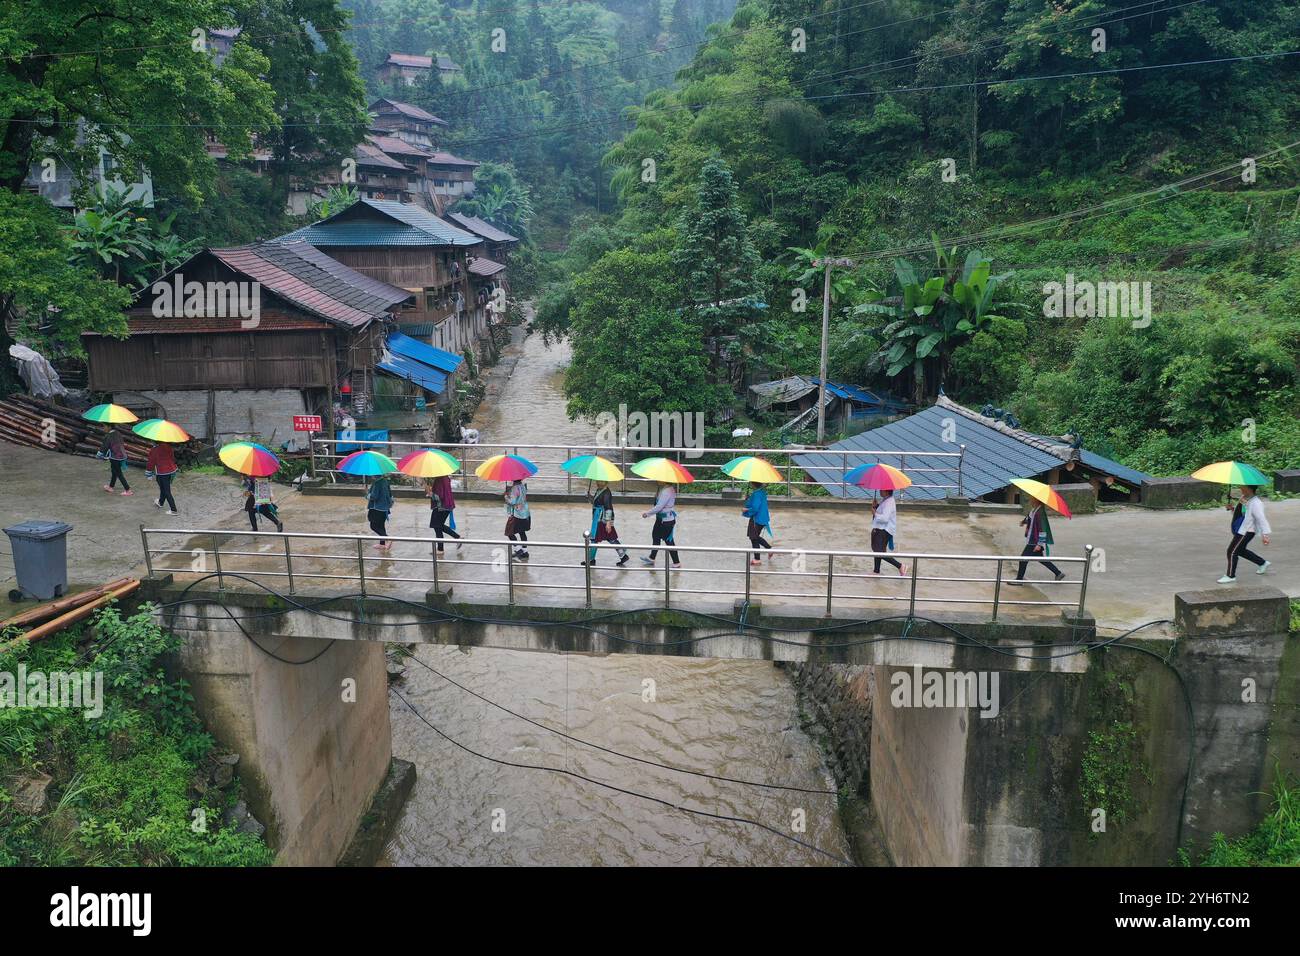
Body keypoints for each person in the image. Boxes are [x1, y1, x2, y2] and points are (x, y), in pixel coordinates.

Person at [1220, 485, 1272, 583]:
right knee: (1240, 550)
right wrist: (1232, 509)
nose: (1241, 489)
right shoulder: (1244, 498)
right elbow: (1243, 515)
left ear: (1249, 489)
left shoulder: (1256, 503)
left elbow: (1261, 519)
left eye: (1243, 487)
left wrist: (1265, 534)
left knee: (1231, 551)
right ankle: (1262, 563)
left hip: (1247, 531)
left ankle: (1230, 576)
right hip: (1242, 528)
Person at [1008, 501, 1064, 584]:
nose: (1031, 499)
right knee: (1041, 559)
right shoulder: (1034, 510)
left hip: (1034, 541)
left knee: (1023, 559)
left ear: (1037, 500)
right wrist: (1023, 522)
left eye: (1033, 498)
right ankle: (1058, 573)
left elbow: (1043, 530)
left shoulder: (1040, 513)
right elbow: (1030, 518)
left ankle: (1019, 580)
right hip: (1032, 539)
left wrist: (1039, 544)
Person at [583, 481, 629, 566]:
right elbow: (596, 502)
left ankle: (591, 560)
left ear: (606, 482)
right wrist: (590, 497)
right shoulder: (600, 490)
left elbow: (608, 507)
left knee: (599, 538)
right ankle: (622, 555)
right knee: (604, 538)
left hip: (602, 519)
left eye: (601, 481)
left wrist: (608, 522)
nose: (598, 483)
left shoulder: (607, 493)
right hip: (598, 518)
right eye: (598, 481)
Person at [640, 482, 680, 568]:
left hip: (666, 521)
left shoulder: (667, 491)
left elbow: (659, 507)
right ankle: (652, 558)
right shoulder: (663, 489)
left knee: (669, 541)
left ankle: (676, 562)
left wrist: (647, 513)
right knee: (656, 537)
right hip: (660, 519)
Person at [869, 488, 906, 575]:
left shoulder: (889, 502)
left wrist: (875, 513)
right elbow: (883, 511)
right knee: (877, 549)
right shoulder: (886, 500)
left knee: (879, 551)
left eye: (882, 490)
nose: (880, 491)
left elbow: (885, 518)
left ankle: (900, 565)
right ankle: (876, 571)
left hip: (885, 529)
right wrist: (877, 506)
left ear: (886, 491)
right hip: (882, 529)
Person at [428, 473, 462, 554]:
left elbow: (439, 496)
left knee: (437, 526)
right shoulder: (445, 478)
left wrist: (430, 493)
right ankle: (457, 538)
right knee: (439, 526)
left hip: (441, 507)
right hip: (446, 506)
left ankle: (440, 549)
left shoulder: (440, 479)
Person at [741, 482, 774, 565]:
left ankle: (757, 559)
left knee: (754, 537)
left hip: (757, 519)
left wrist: (746, 510)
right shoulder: (761, 492)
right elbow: (756, 503)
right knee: (754, 537)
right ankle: (768, 549)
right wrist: (749, 498)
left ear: (753, 484)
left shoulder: (756, 494)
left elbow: (755, 508)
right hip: (761, 518)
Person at [145, 441, 179, 515]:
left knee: (166, 491)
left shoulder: (155, 450)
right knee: (163, 488)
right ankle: (160, 503)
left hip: (162, 472)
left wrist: (148, 473)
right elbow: (172, 458)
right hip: (171, 470)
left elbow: (151, 462)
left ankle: (174, 510)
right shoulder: (169, 447)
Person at [98, 426, 132, 496]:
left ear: (109, 427)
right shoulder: (118, 433)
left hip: (115, 457)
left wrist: (100, 454)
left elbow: (105, 446)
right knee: (114, 471)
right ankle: (111, 487)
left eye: (104, 426)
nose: (103, 428)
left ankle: (128, 490)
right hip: (121, 455)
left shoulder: (109, 436)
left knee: (119, 473)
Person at [505, 479, 530, 559]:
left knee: (509, 532)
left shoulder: (515, 488)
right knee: (522, 532)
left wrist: (506, 496)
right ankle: (525, 551)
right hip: (525, 512)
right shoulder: (523, 486)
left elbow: (512, 501)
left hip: (517, 514)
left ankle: (519, 550)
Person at [367, 475, 393, 551]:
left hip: (377, 508)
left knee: (373, 526)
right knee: (381, 525)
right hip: (384, 508)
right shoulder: (385, 481)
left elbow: (374, 497)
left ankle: (387, 539)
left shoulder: (377, 483)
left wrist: (366, 494)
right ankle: (382, 544)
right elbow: (390, 494)